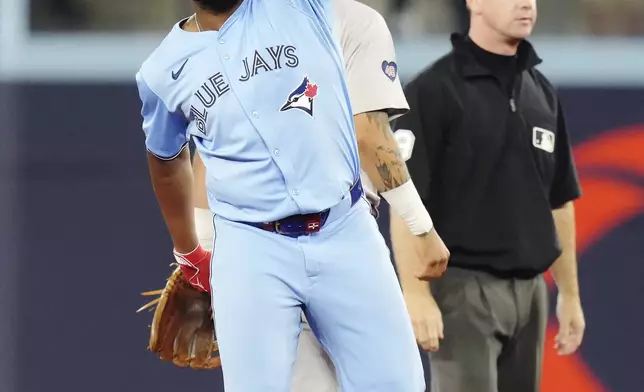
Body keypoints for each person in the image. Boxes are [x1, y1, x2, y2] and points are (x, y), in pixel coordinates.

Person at [135, 1, 447, 391]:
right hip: (252, 247)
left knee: (397, 385)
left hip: (344, 227)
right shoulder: (161, 71)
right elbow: (167, 161)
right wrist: (191, 252)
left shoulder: (300, 6)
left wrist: (420, 226)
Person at [389, 0, 587, 391]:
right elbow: (404, 195)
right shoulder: (434, 89)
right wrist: (415, 292)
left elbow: (560, 200)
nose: (526, 3)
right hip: (463, 290)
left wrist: (570, 294)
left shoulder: (541, 92)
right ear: (474, 3)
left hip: (531, 293)